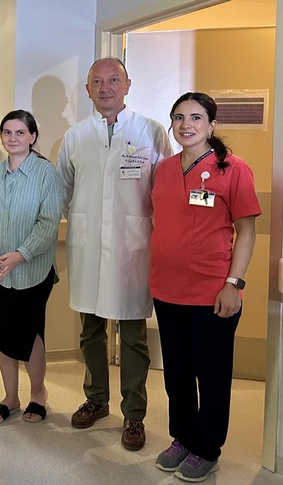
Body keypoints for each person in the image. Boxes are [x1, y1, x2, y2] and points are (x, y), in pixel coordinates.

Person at [57, 57, 173, 450]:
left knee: (133, 335)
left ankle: (134, 415)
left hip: (131, 248)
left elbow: (164, 190)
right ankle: (96, 399)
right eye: (97, 81)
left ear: (127, 85)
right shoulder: (75, 136)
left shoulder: (151, 131)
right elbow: (64, 191)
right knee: (90, 330)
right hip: (89, 246)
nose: (105, 87)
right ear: (87, 89)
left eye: (113, 80)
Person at [150, 92, 260, 482]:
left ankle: (207, 448)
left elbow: (247, 232)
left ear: (212, 125)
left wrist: (233, 284)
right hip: (166, 290)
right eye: (179, 117)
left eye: (196, 118)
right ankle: (183, 437)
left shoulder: (233, 169)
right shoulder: (164, 169)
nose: (186, 125)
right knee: (176, 373)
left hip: (213, 293)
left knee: (211, 375)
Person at [0, 110, 62, 424]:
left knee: (30, 333)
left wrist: (21, 254)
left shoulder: (46, 173)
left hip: (32, 271)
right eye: (7, 133)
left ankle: (38, 394)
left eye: (20, 132)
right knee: (3, 332)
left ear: (33, 136)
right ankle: (10, 397)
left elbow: (48, 223)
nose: (13, 138)